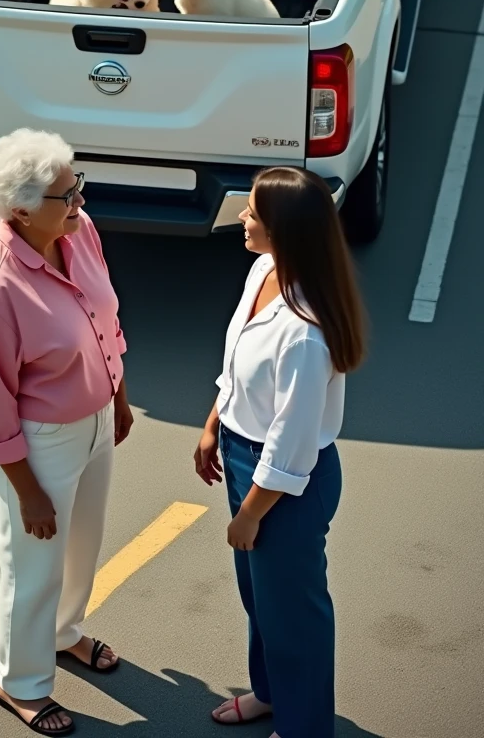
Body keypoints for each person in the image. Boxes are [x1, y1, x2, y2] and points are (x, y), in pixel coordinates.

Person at [0, 128, 134, 735]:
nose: (80, 200)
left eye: (76, 184)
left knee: (82, 544)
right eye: (67, 194)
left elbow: (105, 315)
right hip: (39, 444)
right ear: (20, 212)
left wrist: (118, 392)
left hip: (93, 421)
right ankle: (21, 683)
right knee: (31, 565)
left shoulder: (76, 232)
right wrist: (27, 489)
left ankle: (63, 635)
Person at [195, 167, 365, 738]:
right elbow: (238, 353)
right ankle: (271, 694)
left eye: (252, 214)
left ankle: (304, 728)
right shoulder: (265, 268)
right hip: (246, 458)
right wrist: (215, 421)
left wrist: (248, 514)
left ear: (284, 231)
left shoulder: (305, 332)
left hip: (285, 484)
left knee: (295, 616)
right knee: (260, 596)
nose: (242, 218)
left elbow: (292, 444)